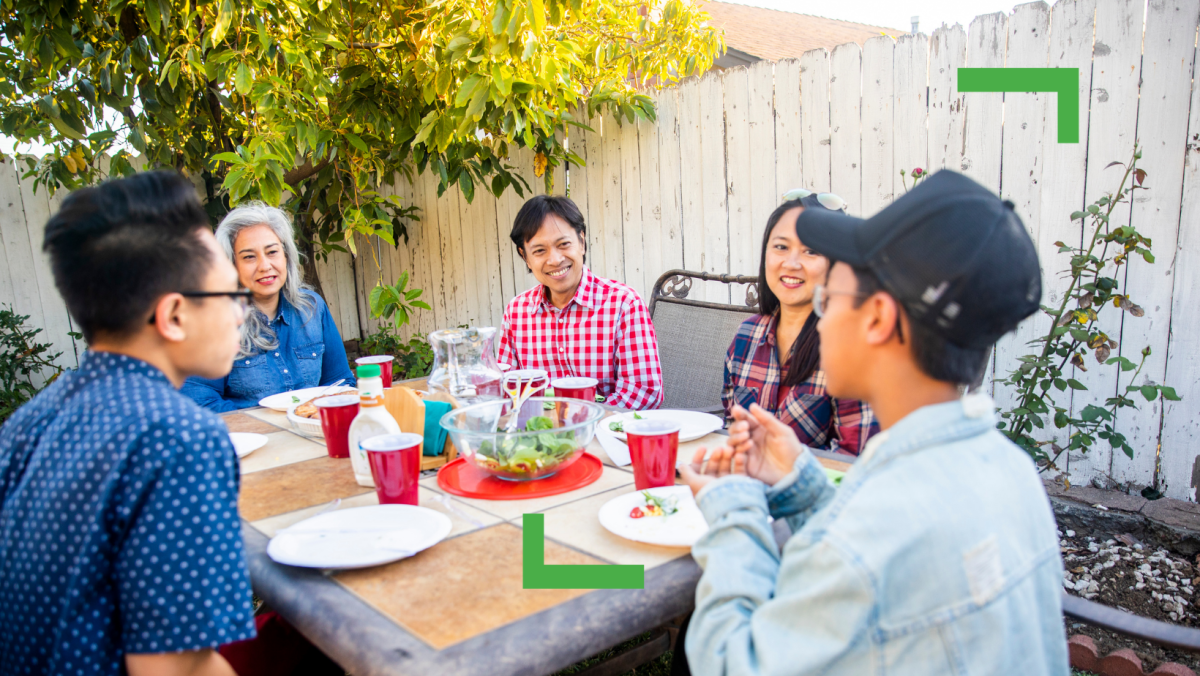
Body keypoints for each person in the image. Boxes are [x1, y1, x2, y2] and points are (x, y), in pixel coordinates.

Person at [677, 170, 1067, 674]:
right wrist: (805, 488)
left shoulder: (870, 534)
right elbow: (883, 567)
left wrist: (734, 511)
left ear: (878, 319)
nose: (822, 317)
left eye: (829, 299)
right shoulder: (1010, 470)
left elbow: (731, 664)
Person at [0, 171, 257, 675]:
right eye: (230, 294)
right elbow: (172, 670)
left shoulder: (27, 423)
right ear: (174, 316)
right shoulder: (179, 438)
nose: (241, 313)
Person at [724, 190, 878, 455]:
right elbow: (731, 426)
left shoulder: (852, 347)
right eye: (781, 247)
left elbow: (856, 461)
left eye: (811, 251)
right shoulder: (746, 335)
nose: (791, 263)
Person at [182, 203, 355, 411]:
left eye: (272, 252)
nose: (264, 266)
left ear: (286, 256)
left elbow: (340, 382)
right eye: (249, 257)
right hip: (250, 441)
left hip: (313, 433)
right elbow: (201, 402)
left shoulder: (312, 308)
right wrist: (265, 425)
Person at [498, 195, 663, 410]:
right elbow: (506, 390)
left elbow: (643, 392)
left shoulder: (623, 304)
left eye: (563, 244)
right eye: (539, 251)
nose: (555, 259)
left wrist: (574, 420)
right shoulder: (516, 312)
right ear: (525, 256)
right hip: (540, 437)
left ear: (582, 242)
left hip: (606, 437)